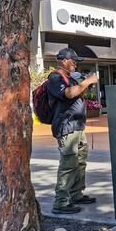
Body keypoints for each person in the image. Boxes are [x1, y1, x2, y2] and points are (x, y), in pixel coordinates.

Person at [47, 48, 99, 214]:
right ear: (63, 60)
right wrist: (87, 82)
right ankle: (61, 202)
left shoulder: (70, 77)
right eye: (73, 60)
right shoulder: (55, 78)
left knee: (80, 162)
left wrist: (83, 83)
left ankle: (76, 194)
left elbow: (76, 94)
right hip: (66, 127)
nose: (75, 63)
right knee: (68, 165)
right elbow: (68, 94)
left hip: (77, 126)